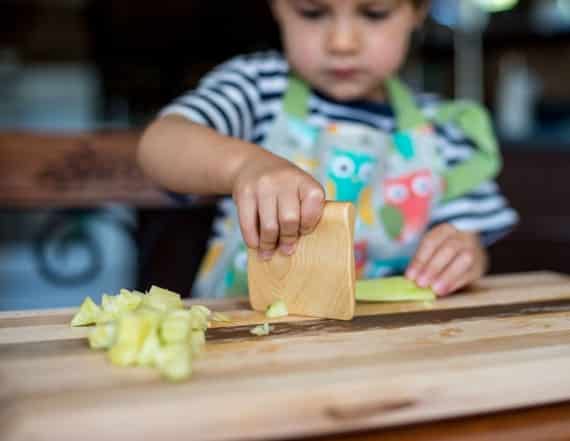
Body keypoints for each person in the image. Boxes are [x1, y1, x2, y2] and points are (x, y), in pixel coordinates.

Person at [138, 0, 518, 299]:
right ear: (278, 6)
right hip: (241, 339)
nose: (341, 43)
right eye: (313, 12)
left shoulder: (441, 129)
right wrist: (244, 166)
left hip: (385, 355)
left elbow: (468, 238)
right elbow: (161, 144)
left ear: (416, 11)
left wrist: (463, 256)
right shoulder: (256, 88)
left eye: (374, 13)